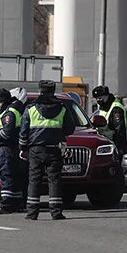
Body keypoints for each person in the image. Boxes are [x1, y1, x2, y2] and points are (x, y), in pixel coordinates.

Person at [20, 80, 75, 221]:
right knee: (54, 180)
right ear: (53, 90)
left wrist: (23, 148)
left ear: (40, 90)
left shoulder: (31, 108)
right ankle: (56, 213)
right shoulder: (62, 108)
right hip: (54, 149)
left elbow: (24, 131)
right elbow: (70, 128)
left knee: (34, 180)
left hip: (36, 149)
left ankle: (32, 213)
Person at [0, 87, 27, 214]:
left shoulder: (10, 112)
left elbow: (8, 131)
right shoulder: (16, 109)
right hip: (13, 148)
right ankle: (17, 204)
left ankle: (6, 205)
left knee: (6, 176)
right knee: (15, 177)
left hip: (6, 148)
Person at [92, 85, 127, 159]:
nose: (98, 100)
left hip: (115, 145)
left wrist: (118, 149)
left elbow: (119, 129)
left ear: (107, 96)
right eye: (97, 99)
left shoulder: (116, 108)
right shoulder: (103, 108)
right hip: (106, 145)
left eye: (100, 98)